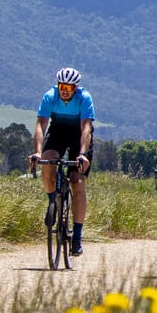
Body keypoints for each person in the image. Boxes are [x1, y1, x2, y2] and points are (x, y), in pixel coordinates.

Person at [34, 65, 95, 256]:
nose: (65, 91)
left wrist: (83, 154)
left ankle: (76, 237)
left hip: (79, 134)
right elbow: (41, 125)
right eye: (62, 87)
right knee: (47, 160)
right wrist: (36, 151)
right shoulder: (49, 96)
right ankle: (52, 200)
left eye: (69, 88)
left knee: (77, 182)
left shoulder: (84, 98)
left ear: (75, 88)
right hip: (58, 131)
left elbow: (86, 128)